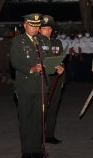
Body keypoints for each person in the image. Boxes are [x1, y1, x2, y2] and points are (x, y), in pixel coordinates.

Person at [10, 13, 46, 158]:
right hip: (25, 86)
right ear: (25, 25)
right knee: (25, 119)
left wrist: (57, 65)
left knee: (38, 119)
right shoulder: (18, 41)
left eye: (37, 26)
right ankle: (26, 150)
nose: (35, 28)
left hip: (41, 86)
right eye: (32, 25)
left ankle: (37, 149)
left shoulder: (42, 40)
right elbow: (15, 62)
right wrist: (31, 69)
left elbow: (49, 58)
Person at [39, 15, 65, 144]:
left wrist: (62, 72)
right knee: (40, 109)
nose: (47, 31)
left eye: (49, 28)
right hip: (41, 80)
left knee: (53, 108)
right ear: (39, 30)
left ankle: (49, 135)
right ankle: (38, 135)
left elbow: (61, 61)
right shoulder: (34, 43)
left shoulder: (57, 43)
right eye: (44, 28)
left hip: (55, 80)